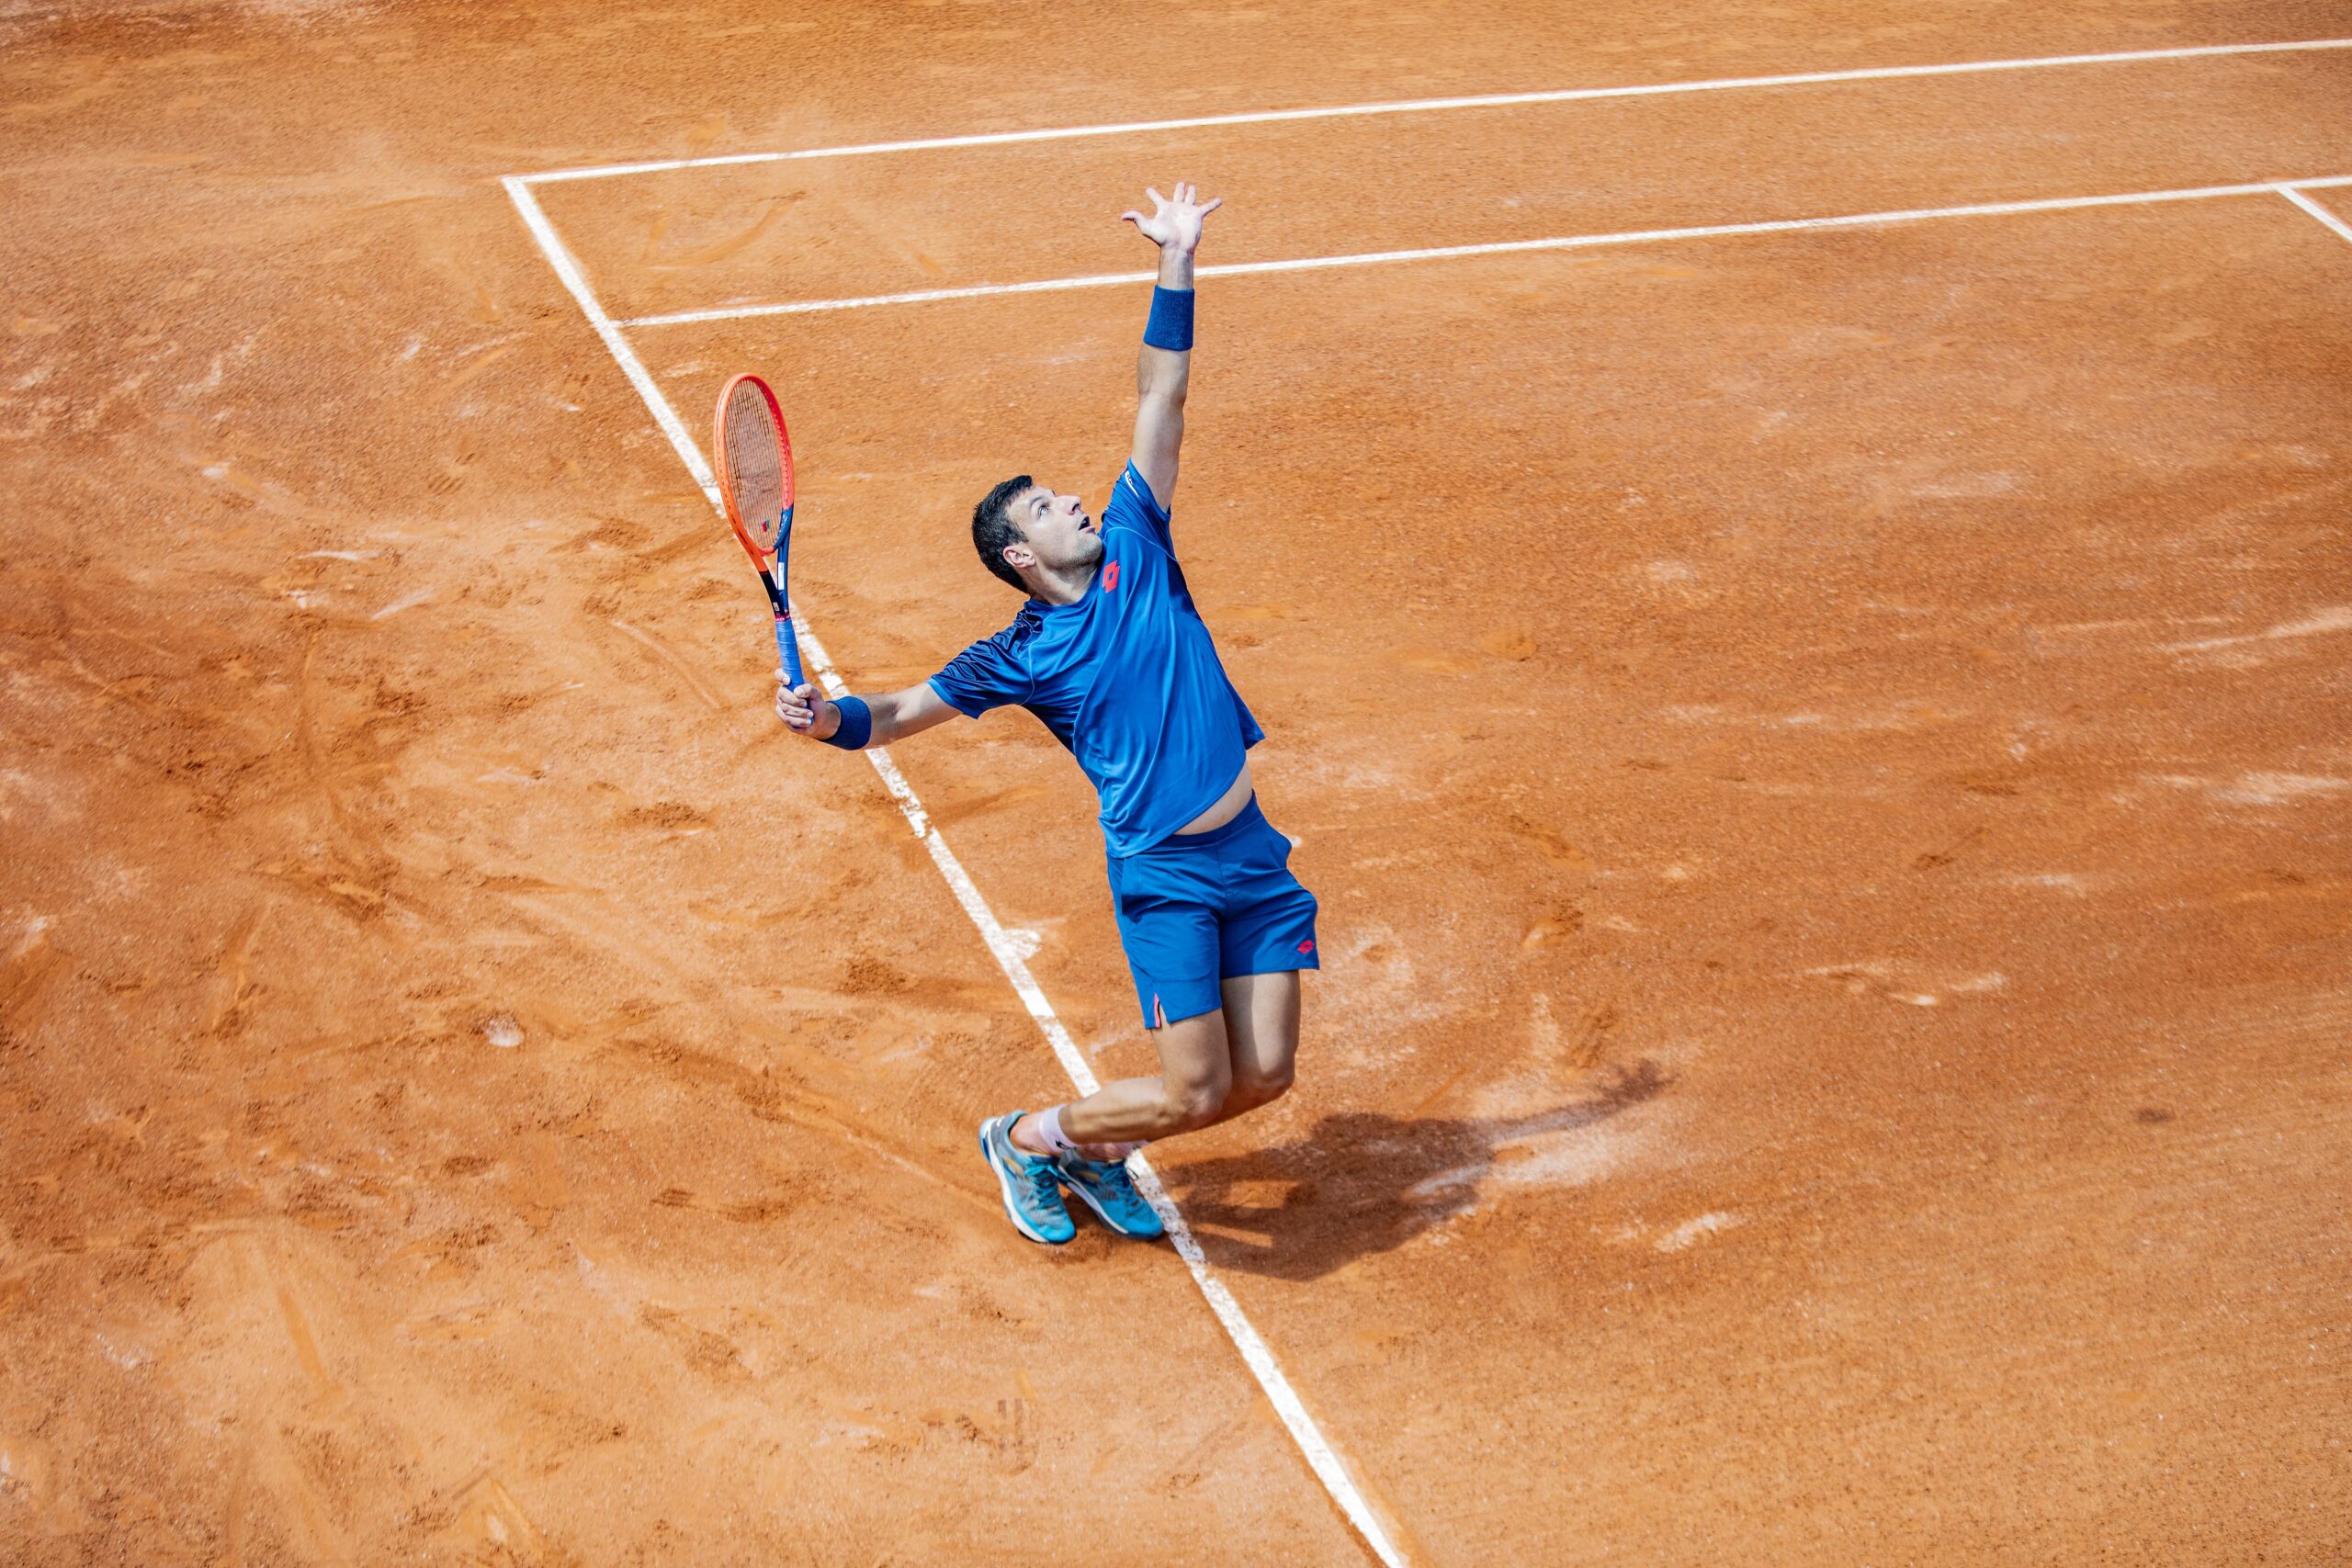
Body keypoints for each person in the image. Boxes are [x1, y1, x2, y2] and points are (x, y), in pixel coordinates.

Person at [776, 181, 1317, 1247]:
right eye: (1046, 509)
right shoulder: (1014, 656)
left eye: (1066, 495)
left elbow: (1163, 397)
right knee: (1192, 1092)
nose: (1075, 501)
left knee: (1266, 1081)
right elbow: (893, 712)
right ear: (1023, 559)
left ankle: (1091, 1149)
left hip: (1250, 854)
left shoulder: (1139, 545)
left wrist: (1176, 259)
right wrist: (824, 718)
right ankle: (1027, 1138)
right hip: (1164, 873)